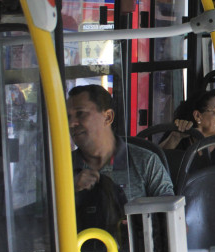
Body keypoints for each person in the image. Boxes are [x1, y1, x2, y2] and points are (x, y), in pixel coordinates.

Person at [67, 85, 173, 242]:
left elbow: (173, 220)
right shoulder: (62, 167)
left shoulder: (145, 161)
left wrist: (140, 225)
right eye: (68, 117)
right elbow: (39, 224)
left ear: (108, 117)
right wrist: (70, 189)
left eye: (81, 114)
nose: (72, 124)